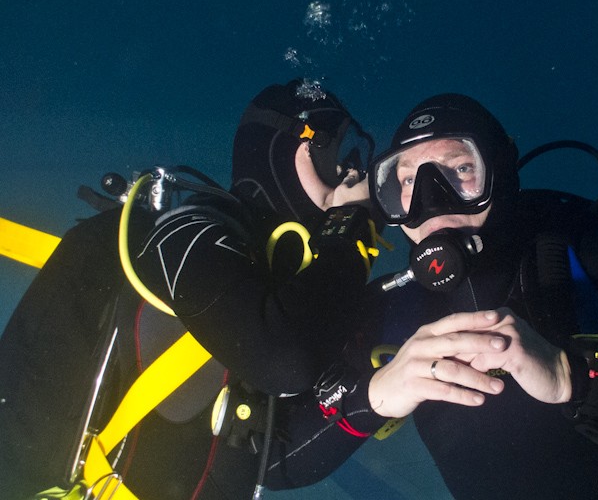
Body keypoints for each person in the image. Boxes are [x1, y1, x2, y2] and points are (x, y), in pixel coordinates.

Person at [260, 93, 598, 499]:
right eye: (404, 183)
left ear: (502, 171)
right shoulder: (392, 316)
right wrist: (372, 396)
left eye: (460, 170)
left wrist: (577, 377)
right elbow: (269, 462)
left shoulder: (578, 260)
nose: (429, 200)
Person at [0, 79, 380, 499]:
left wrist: (381, 397)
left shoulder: (277, 286)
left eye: (359, 156)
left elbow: (274, 461)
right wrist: (347, 238)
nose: (352, 173)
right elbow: (284, 363)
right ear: (279, 151)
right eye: (339, 153)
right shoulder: (185, 232)